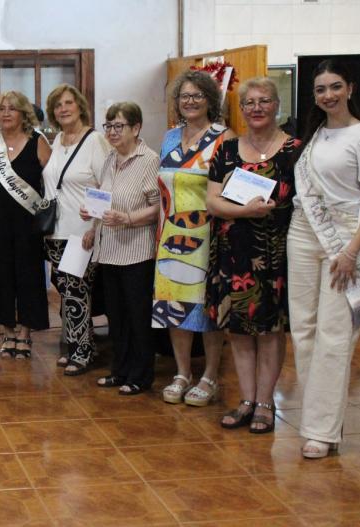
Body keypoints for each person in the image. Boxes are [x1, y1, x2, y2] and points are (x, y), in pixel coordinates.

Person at [289, 60, 360, 458]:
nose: (328, 95)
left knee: (335, 332)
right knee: (303, 328)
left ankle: (323, 430)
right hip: (302, 232)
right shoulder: (314, 134)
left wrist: (351, 251)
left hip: (343, 239)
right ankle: (318, 417)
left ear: (350, 88)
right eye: (320, 89)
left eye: (335, 87)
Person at [206, 77, 300, 433]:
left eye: (264, 101)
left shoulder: (295, 150)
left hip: (277, 254)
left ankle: (265, 402)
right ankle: (246, 400)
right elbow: (212, 202)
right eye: (249, 102)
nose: (256, 108)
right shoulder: (227, 149)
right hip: (233, 252)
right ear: (241, 109)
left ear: (277, 105)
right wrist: (246, 211)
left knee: (271, 330)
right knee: (239, 329)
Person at [154, 71, 233, 406]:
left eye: (197, 95)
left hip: (208, 234)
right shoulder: (170, 137)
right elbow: (161, 187)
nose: (190, 101)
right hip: (170, 232)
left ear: (210, 100)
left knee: (208, 307)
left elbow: (230, 189)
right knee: (174, 303)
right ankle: (182, 372)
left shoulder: (224, 137)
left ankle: (210, 375)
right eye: (185, 96)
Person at [86, 102, 161, 395]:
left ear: (136, 128)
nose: (112, 132)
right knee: (115, 316)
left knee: (137, 316)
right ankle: (120, 371)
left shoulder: (149, 160)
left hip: (136, 251)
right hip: (109, 249)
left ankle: (141, 376)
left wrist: (127, 218)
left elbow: (158, 208)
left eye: (119, 126)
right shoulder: (110, 158)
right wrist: (91, 215)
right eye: (108, 126)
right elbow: (104, 198)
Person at [41, 84, 110, 375]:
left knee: (76, 290)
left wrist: (95, 225)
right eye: (58, 105)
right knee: (66, 290)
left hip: (81, 232)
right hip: (55, 231)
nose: (63, 109)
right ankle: (79, 344)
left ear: (80, 106)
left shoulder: (95, 140)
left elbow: (106, 185)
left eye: (68, 103)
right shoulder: (57, 140)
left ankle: (82, 351)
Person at [0, 91, 51, 359]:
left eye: (12, 108)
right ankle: (7, 331)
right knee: (0, 275)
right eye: (2, 109)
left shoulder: (38, 141)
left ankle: (25, 332)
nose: (6, 113)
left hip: (28, 222)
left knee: (28, 275)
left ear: (24, 113)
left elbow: (52, 182)